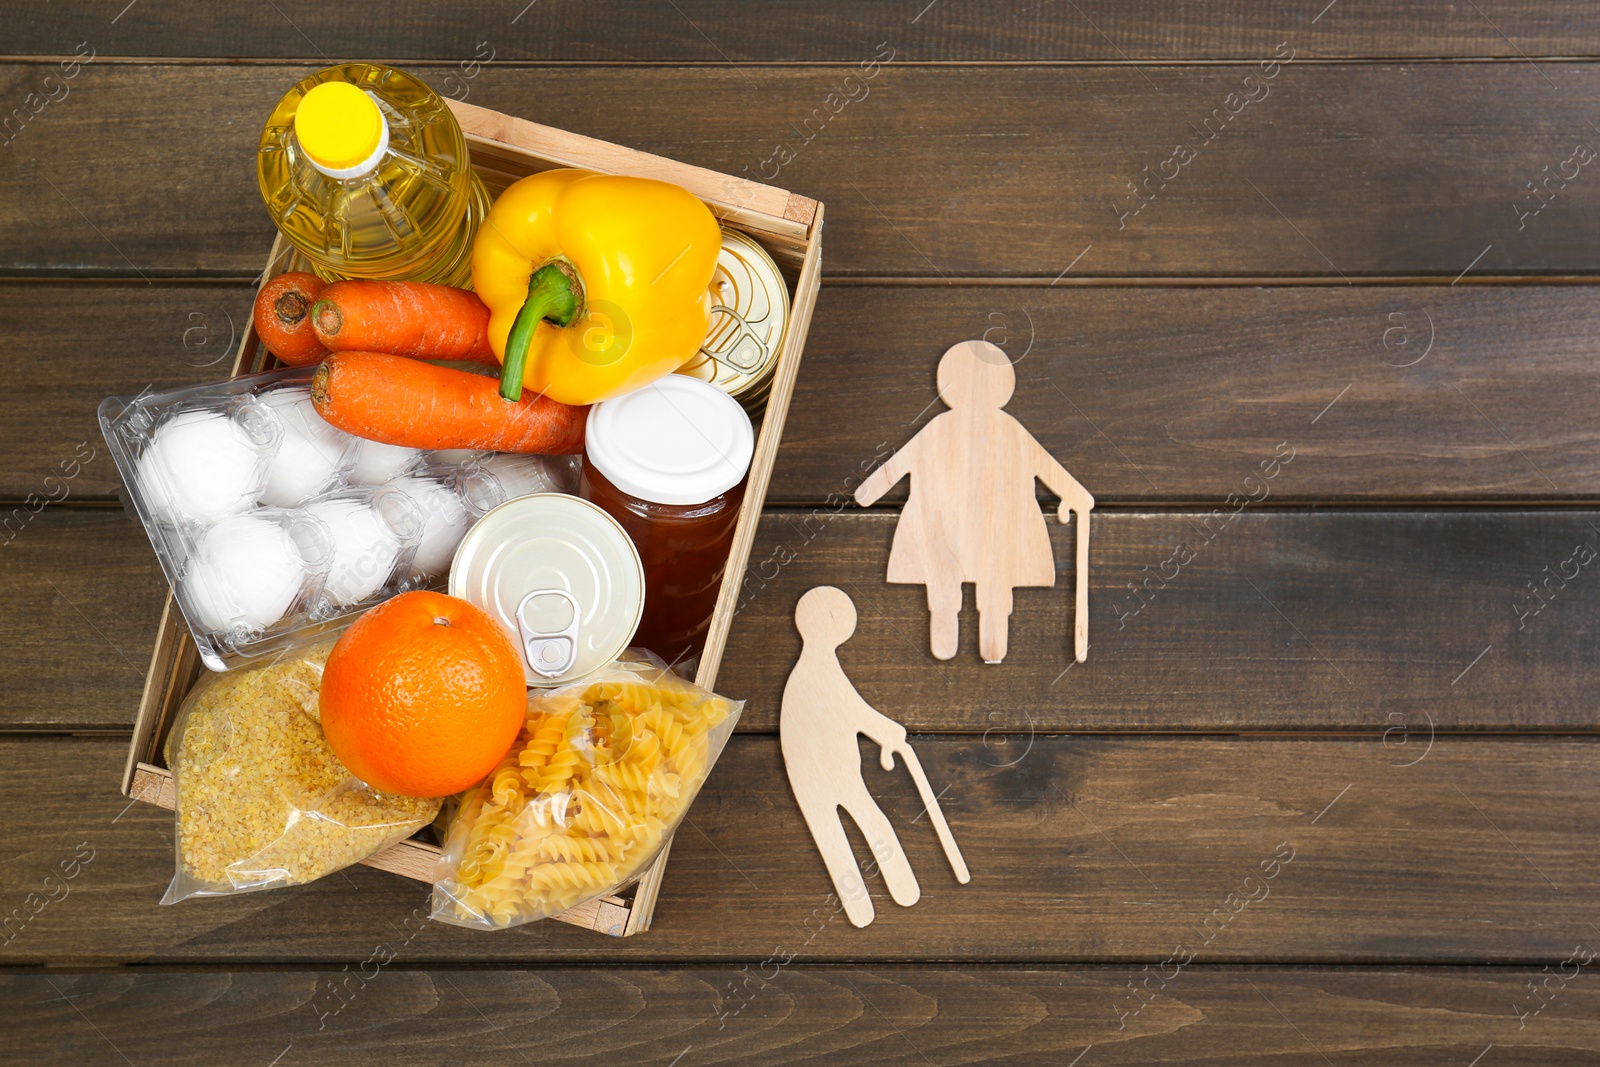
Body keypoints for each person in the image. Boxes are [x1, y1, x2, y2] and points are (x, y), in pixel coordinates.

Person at [854, 339, 1094, 663]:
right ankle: (956, 620)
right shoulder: (990, 428)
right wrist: (1076, 494)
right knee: (958, 573)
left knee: (985, 575)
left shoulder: (969, 428)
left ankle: (982, 625)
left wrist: (868, 493)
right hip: (961, 524)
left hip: (975, 525)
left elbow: (1044, 464)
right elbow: (895, 467)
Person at [780, 586, 922, 928]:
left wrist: (886, 732)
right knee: (867, 824)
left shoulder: (813, 669)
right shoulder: (818, 670)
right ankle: (891, 892)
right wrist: (889, 731)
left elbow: (852, 711)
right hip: (827, 771)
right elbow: (855, 712)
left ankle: (870, 903)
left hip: (817, 772)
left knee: (834, 834)